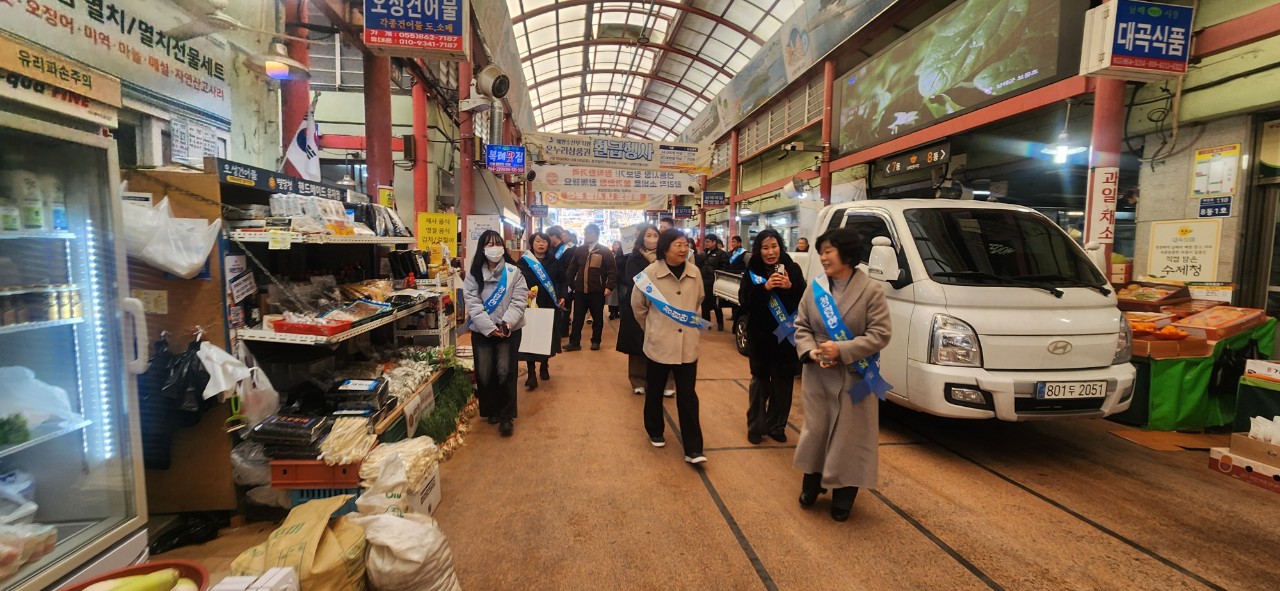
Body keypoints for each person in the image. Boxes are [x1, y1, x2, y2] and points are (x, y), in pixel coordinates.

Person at [793, 228, 892, 521]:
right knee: (817, 432)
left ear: (846, 253)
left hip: (856, 377)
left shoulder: (871, 290)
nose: (823, 257)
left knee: (850, 438)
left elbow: (880, 334)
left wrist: (843, 349)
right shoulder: (815, 288)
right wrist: (812, 352)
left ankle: (844, 495)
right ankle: (812, 483)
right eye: (820, 251)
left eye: (828, 251)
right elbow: (801, 326)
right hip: (819, 376)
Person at [633, 228, 707, 464]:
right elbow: (638, 307)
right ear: (665, 248)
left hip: (687, 345)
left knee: (688, 396)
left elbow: (699, 302)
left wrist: (693, 327)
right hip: (659, 344)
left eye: (685, 244)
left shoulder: (694, 272)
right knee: (654, 390)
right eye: (677, 244)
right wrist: (653, 329)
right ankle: (655, 430)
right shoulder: (650, 273)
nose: (683, 249)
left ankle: (693, 447)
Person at [738, 229, 806, 444]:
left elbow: (804, 301)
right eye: (765, 248)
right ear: (758, 250)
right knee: (760, 384)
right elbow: (745, 302)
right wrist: (765, 288)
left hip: (786, 338)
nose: (770, 252)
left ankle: (777, 426)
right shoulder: (752, 271)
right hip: (761, 337)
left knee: (783, 385)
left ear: (781, 246)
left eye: (774, 246)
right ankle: (756, 427)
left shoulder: (792, 269)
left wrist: (790, 288)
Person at [464, 230, 529, 436]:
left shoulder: (514, 272)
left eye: (497, 244)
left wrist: (506, 323)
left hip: (508, 330)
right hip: (482, 330)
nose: (494, 248)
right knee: (484, 372)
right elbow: (472, 303)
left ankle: (506, 415)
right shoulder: (473, 274)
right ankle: (490, 409)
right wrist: (489, 328)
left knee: (505, 371)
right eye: (489, 244)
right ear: (483, 248)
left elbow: (519, 301)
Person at [617, 225, 675, 397]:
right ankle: (637, 380)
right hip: (638, 305)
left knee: (665, 344)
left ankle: (667, 382)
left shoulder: (666, 257)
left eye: (655, 235)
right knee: (638, 344)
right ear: (642, 238)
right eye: (648, 235)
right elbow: (633, 279)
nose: (651, 238)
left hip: (663, 305)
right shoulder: (633, 257)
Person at [516, 231, 563, 390]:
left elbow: (562, 281)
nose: (541, 244)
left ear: (548, 244)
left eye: (544, 241)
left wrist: (562, 296)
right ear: (532, 243)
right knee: (530, 338)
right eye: (538, 241)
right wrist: (525, 292)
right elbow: (514, 282)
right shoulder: (523, 262)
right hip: (529, 305)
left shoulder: (554, 262)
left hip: (548, 304)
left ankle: (544, 364)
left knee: (545, 337)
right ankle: (531, 373)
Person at [564, 223, 617, 351]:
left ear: (597, 235)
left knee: (598, 318)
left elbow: (612, 271)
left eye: (591, 233)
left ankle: (596, 341)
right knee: (577, 318)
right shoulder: (580, 250)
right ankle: (574, 342)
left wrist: (609, 286)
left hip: (597, 291)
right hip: (580, 292)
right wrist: (571, 284)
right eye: (586, 233)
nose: (588, 236)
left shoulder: (605, 251)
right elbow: (572, 269)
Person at [697, 234, 729, 331]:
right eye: (705, 242)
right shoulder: (703, 253)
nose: (706, 244)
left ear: (714, 242)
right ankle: (706, 324)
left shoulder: (721, 254)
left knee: (716, 304)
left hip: (715, 284)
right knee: (705, 305)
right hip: (704, 283)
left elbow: (725, 268)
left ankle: (720, 324)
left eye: (708, 242)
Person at [607, 240, 625, 319]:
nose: (616, 246)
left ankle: (618, 311)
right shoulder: (610, 254)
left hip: (621, 278)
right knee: (612, 296)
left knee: (619, 296)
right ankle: (612, 312)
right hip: (612, 277)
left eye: (618, 244)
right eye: (615, 244)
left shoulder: (623, 255)